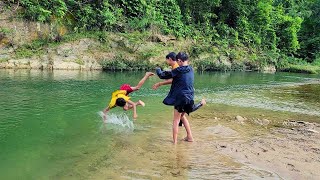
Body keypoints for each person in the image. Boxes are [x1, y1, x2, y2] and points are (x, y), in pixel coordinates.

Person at [155, 52, 205, 144]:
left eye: (178, 61)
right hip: (189, 96)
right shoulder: (191, 69)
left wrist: (158, 69)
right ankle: (189, 137)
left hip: (181, 97)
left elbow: (162, 75)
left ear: (179, 61)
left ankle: (174, 143)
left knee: (176, 120)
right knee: (182, 116)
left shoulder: (179, 70)